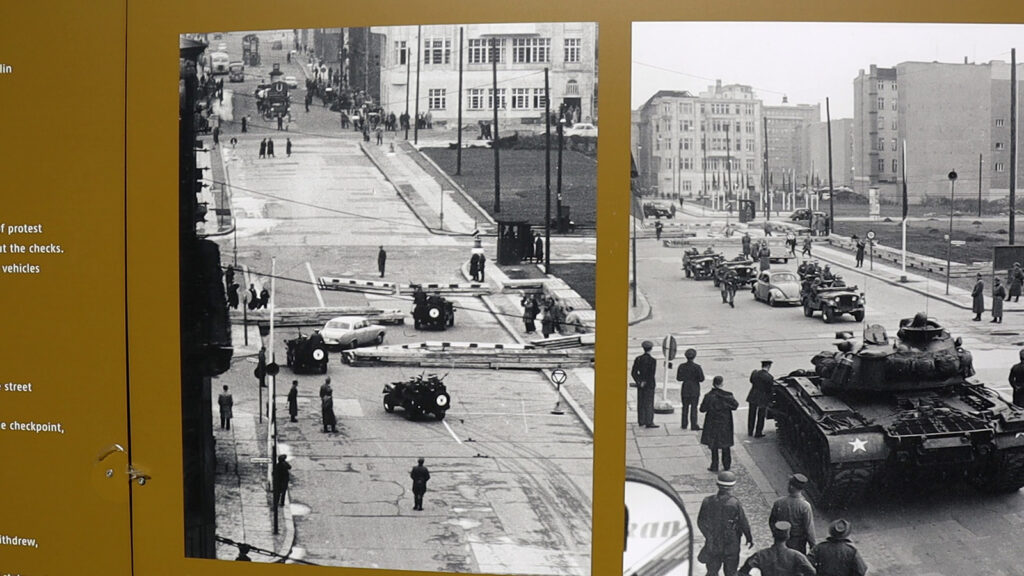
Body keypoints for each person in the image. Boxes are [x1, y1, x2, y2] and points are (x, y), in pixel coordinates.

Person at [697, 471, 753, 576]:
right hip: (731, 544)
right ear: (733, 486)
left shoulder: (707, 501)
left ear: (717, 485)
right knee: (731, 572)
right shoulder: (734, 503)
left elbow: (700, 522)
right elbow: (743, 523)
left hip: (714, 544)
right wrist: (749, 538)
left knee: (712, 571)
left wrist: (709, 536)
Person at [738, 521, 815, 576]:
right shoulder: (797, 556)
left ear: (773, 535)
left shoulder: (761, 555)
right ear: (788, 537)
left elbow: (742, 572)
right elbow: (812, 572)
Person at [769, 473, 817, 554]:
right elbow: (809, 530)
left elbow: (771, 521)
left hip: (781, 541)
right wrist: (813, 547)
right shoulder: (805, 506)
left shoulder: (779, 502)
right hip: (798, 544)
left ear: (791, 486)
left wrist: (777, 534)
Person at [700, 376, 738, 471]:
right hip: (725, 424)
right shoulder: (728, 396)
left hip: (712, 423)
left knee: (714, 445)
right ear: (722, 384)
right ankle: (726, 465)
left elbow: (702, 409)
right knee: (726, 445)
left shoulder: (708, 396)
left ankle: (714, 465)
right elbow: (735, 406)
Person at [630, 341, 659, 428]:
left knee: (641, 402)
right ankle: (649, 421)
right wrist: (645, 381)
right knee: (649, 403)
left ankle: (641, 420)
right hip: (649, 385)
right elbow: (651, 374)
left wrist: (639, 381)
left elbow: (633, 372)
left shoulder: (638, 359)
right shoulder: (652, 360)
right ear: (651, 348)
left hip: (640, 385)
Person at [676, 348, 705, 431]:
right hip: (694, 388)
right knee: (694, 408)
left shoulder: (681, 366)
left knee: (684, 407)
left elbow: (679, 378)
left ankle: (684, 424)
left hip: (685, 388)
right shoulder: (697, 367)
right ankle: (693, 424)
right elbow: (701, 379)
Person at [747, 360, 773, 438]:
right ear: (768, 366)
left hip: (753, 395)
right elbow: (769, 390)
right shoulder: (769, 377)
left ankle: (750, 431)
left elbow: (751, 381)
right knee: (761, 416)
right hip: (762, 398)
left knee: (751, 414)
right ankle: (758, 432)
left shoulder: (755, 373)